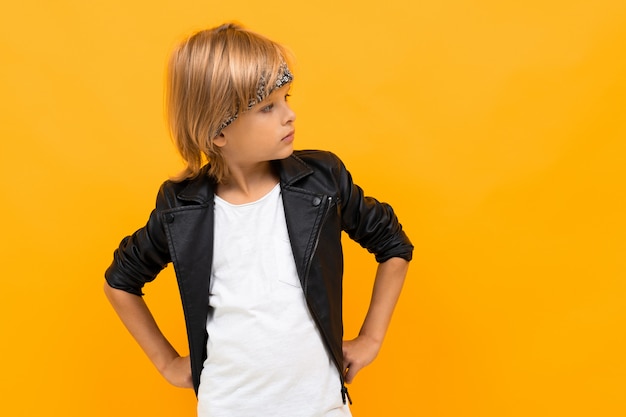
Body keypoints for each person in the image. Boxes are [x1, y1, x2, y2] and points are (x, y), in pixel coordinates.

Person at [104, 23, 413, 417]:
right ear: (218, 131)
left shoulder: (322, 181)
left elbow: (393, 245)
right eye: (268, 107)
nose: (289, 115)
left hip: (321, 408)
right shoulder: (181, 208)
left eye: (287, 98)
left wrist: (371, 337)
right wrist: (167, 363)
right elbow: (120, 281)